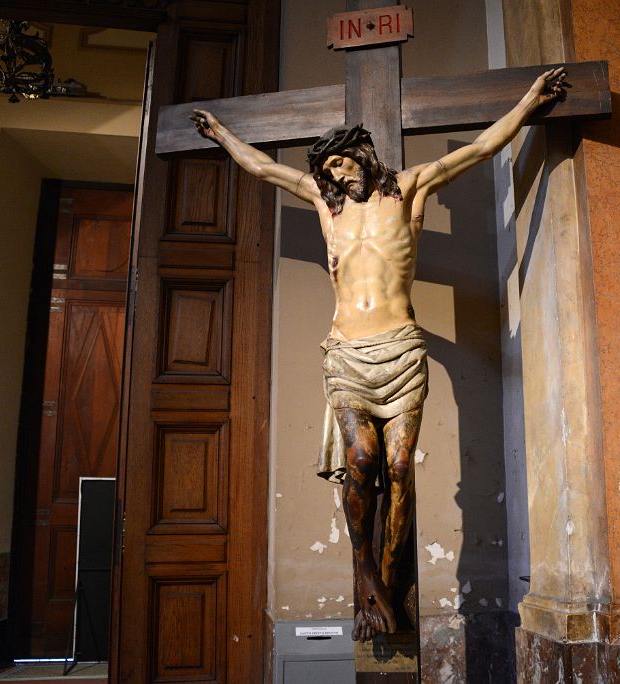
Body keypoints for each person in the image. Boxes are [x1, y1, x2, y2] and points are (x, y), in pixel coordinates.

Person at [190, 67, 568, 642]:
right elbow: (265, 168)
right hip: (347, 353)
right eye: (327, 170)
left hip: (400, 350)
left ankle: (388, 582)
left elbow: (482, 145)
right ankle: (365, 569)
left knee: (397, 469)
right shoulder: (327, 205)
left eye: (341, 163)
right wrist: (222, 136)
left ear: (363, 154)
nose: (335, 175)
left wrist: (529, 103)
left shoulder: (410, 188)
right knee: (362, 461)